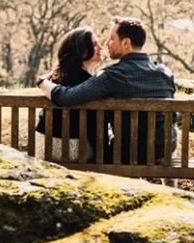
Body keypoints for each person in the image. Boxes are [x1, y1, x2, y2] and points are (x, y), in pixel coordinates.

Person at [37, 16, 177, 164]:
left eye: (111, 39)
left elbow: (66, 98)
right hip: (165, 149)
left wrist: (42, 81)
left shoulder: (112, 75)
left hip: (130, 154)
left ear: (126, 43)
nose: (107, 44)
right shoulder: (165, 72)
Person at [34, 27, 102, 162]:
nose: (100, 47)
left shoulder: (52, 81)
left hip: (44, 145)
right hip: (74, 150)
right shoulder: (90, 83)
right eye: (95, 44)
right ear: (83, 52)